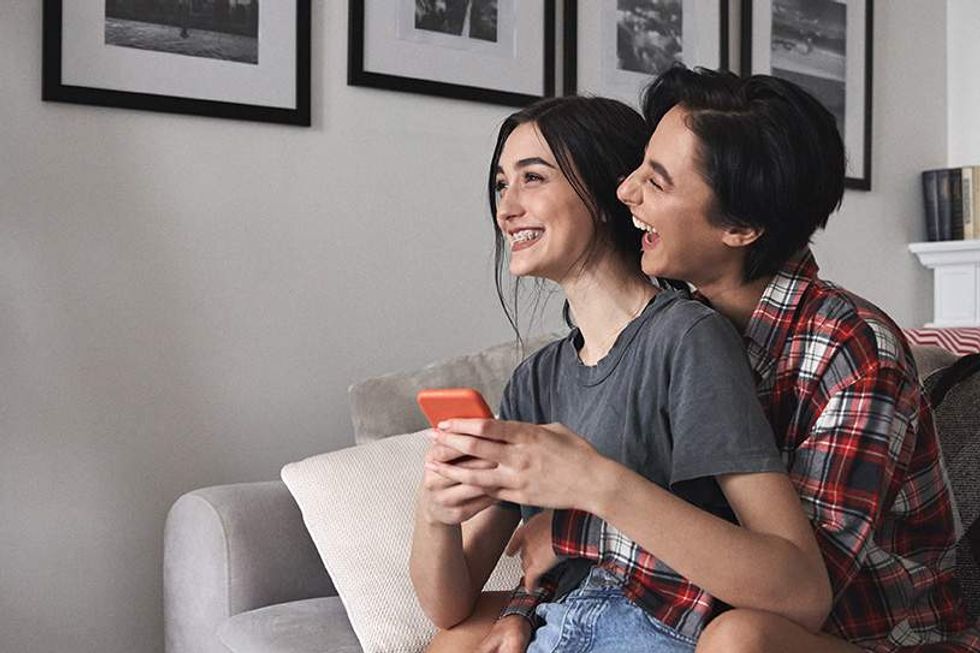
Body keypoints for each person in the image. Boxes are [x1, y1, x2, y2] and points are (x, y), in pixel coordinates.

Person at [509, 65, 980, 651]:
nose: (625, 191)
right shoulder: (667, 335)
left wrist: (581, 527)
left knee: (743, 638)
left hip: (871, 637)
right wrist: (528, 606)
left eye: (657, 183)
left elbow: (799, 595)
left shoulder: (853, 351)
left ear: (741, 227)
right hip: (709, 618)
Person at [411, 94, 832, 653]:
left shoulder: (687, 339)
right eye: (500, 184)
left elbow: (796, 587)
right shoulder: (535, 380)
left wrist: (589, 481)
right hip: (563, 623)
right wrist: (434, 512)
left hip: (655, 626)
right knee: (451, 641)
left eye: (532, 178)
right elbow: (448, 605)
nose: (506, 207)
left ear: (608, 193)